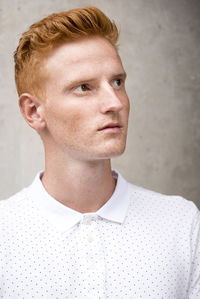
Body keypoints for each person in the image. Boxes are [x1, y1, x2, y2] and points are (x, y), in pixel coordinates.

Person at [0, 6, 199, 299]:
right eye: (84, 87)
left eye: (117, 82)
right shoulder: (4, 235)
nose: (115, 102)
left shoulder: (182, 224)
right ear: (33, 111)